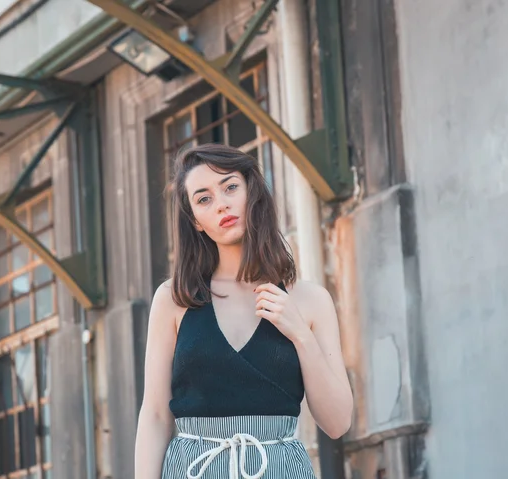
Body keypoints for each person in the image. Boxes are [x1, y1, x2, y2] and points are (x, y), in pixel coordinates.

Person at [135, 143, 353, 479]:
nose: (221, 204)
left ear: (251, 192)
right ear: (195, 221)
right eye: (204, 198)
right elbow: (154, 415)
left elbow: (337, 423)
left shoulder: (310, 300)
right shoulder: (174, 298)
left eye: (230, 187)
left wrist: (299, 333)